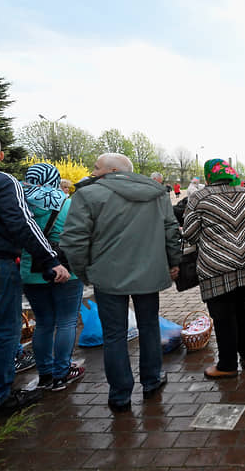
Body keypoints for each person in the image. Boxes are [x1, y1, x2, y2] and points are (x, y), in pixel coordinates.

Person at [0, 133, 70, 422]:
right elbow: (22, 224)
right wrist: (50, 260)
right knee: (2, 333)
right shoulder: (3, 182)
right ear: (1, 156)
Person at [61, 153, 181, 413]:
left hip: (107, 276)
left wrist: (84, 272)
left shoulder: (88, 195)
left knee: (114, 335)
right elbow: (170, 230)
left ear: (112, 170)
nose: (92, 172)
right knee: (149, 327)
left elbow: (74, 239)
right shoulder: (156, 193)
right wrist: (174, 262)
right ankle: (151, 381)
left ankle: (119, 395)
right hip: (148, 274)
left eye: (96, 167)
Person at [182, 159, 245, 378]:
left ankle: (227, 365)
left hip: (217, 266)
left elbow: (189, 234)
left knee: (222, 315)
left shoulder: (198, 197)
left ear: (209, 176)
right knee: (244, 308)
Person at [19, 163, 85, 391]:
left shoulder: (20, 201)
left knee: (44, 323)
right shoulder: (67, 202)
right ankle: (62, 371)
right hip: (66, 269)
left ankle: (45, 372)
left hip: (31, 272)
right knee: (67, 321)